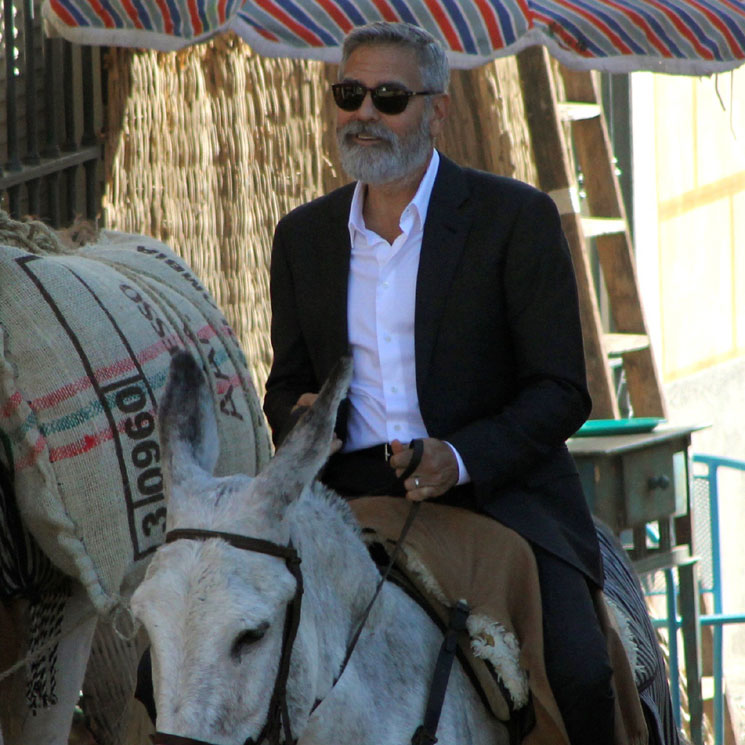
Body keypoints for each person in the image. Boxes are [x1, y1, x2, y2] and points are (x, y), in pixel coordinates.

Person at [263, 21, 614, 745]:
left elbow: (559, 389)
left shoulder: (513, 217)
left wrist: (455, 456)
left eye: (389, 97)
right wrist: (298, 419)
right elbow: (286, 383)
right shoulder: (302, 237)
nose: (364, 113)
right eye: (349, 93)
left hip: (501, 493)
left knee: (579, 673)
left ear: (436, 109)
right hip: (346, 498)